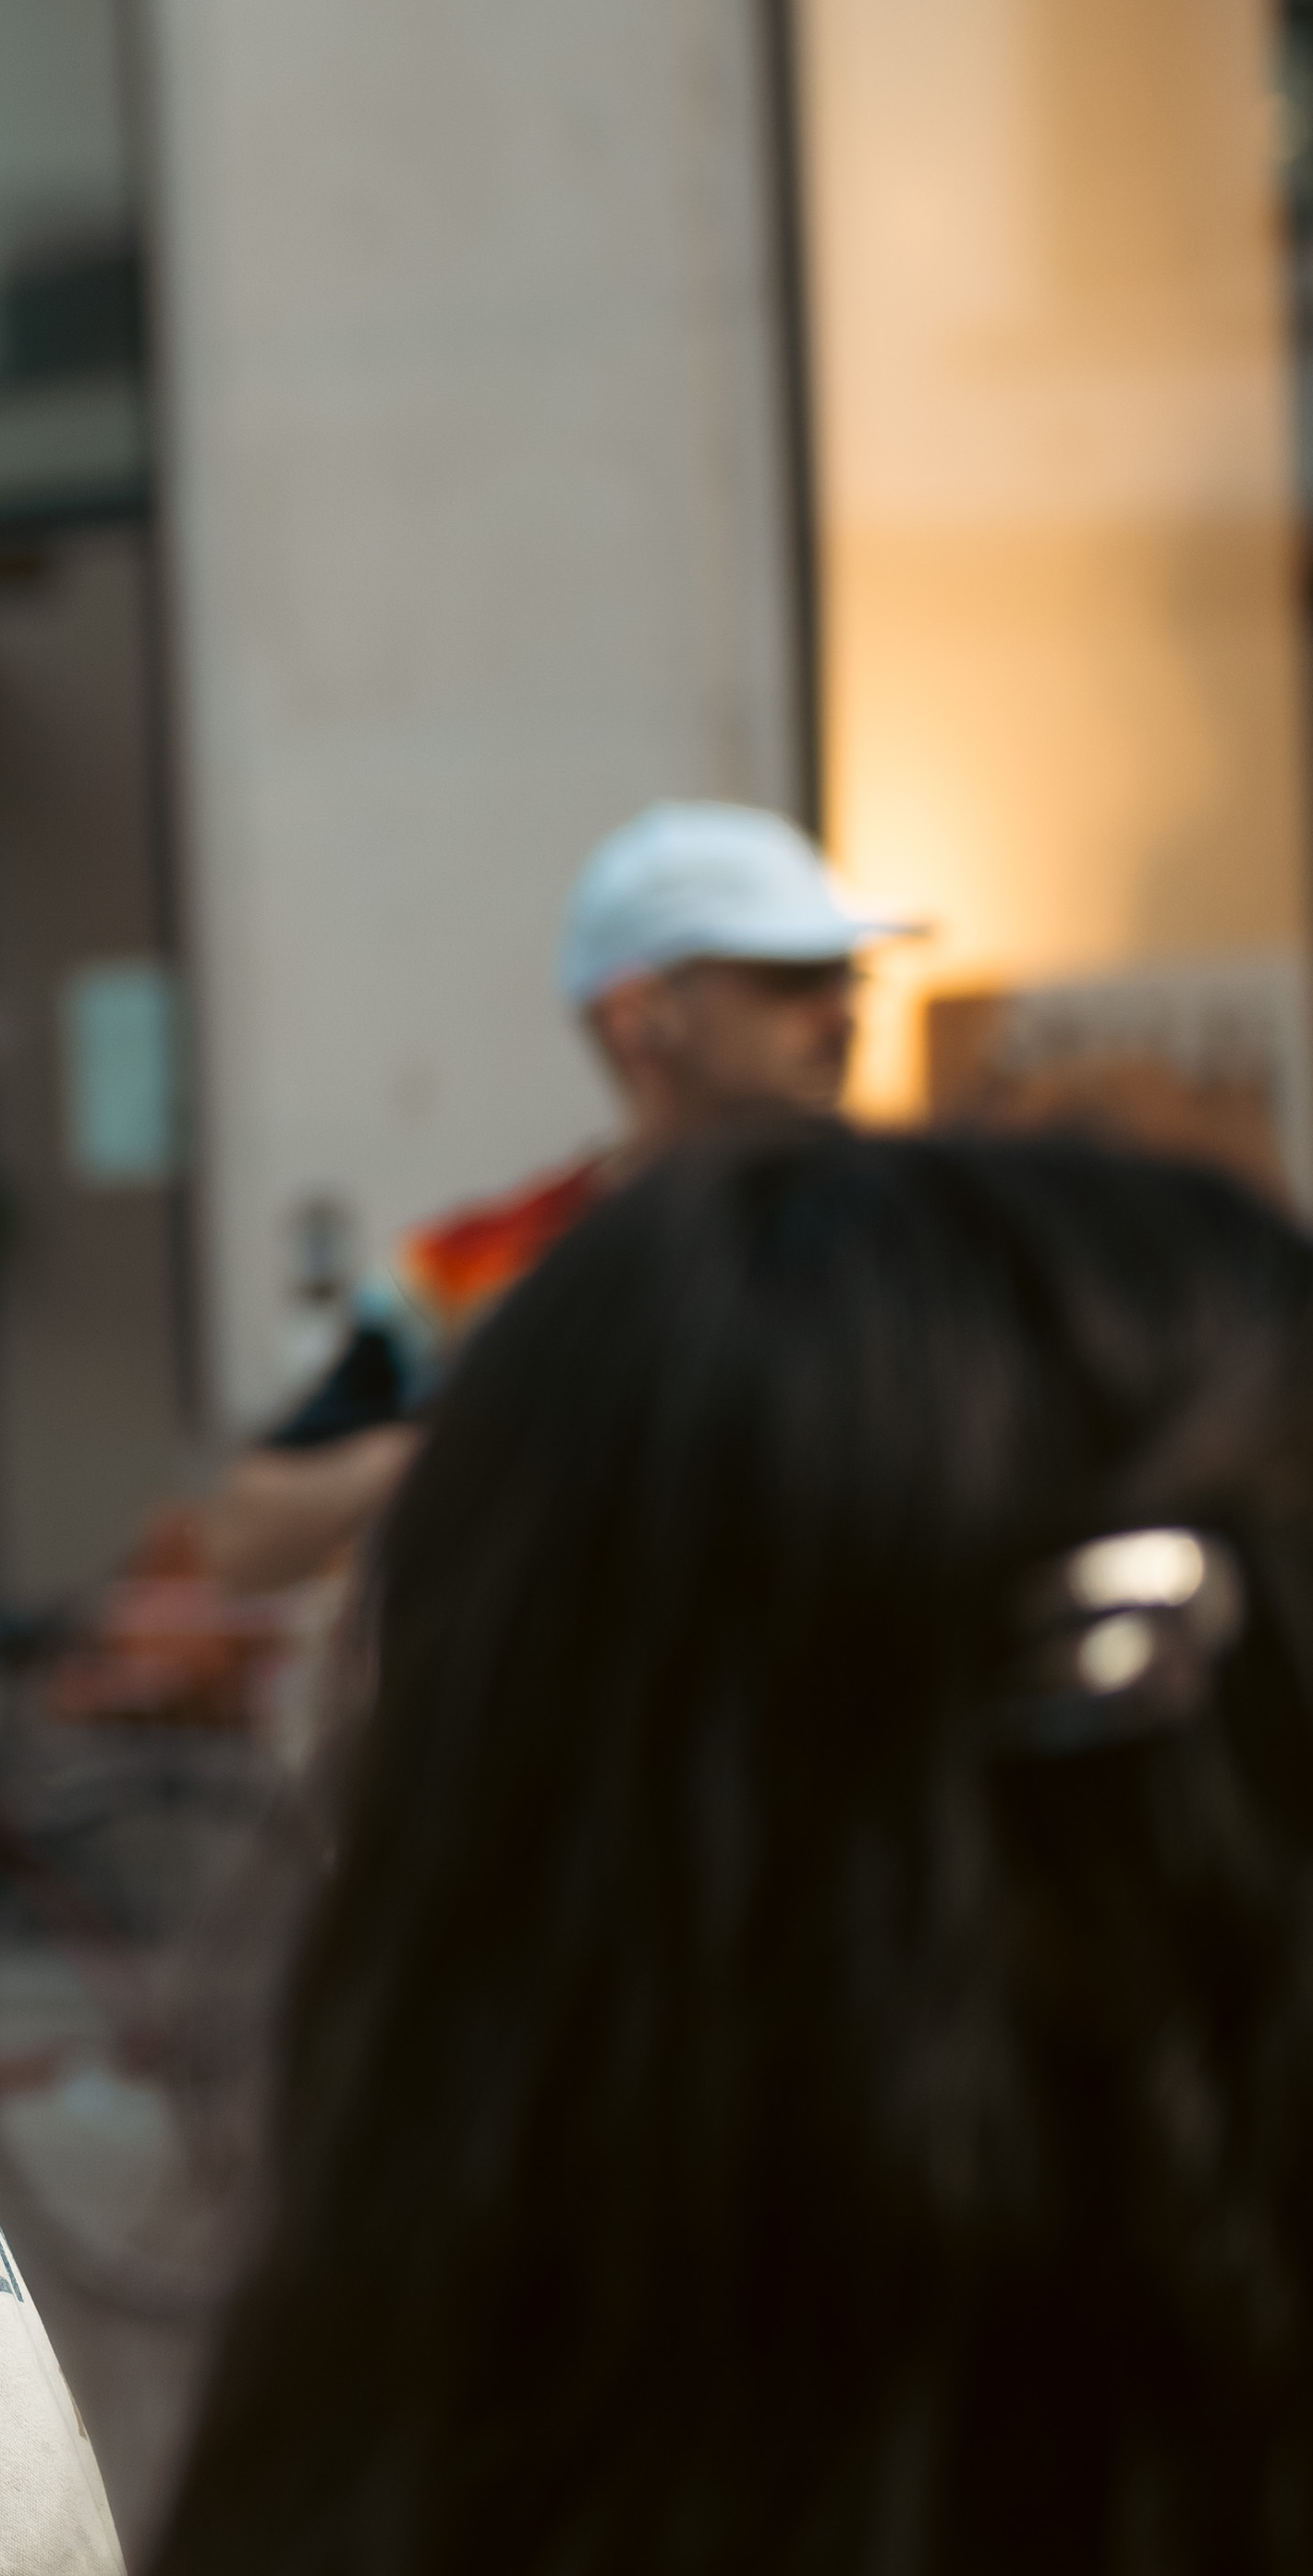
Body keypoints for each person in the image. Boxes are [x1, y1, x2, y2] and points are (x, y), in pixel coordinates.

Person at [156, 1128, 1312, 2573]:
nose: (829, 1021)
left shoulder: (980, 1254)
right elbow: (243, 1520)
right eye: (776, 996)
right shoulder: (492, 1264)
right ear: (637, 1021)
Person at [202, 798, 914, 1592]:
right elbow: (240, 1540)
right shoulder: (481, 1267)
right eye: (791, 979)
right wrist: (464, 1450)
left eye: (850, 977)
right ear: (637, 1016)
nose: (845, 1017)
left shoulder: (913, 1238)